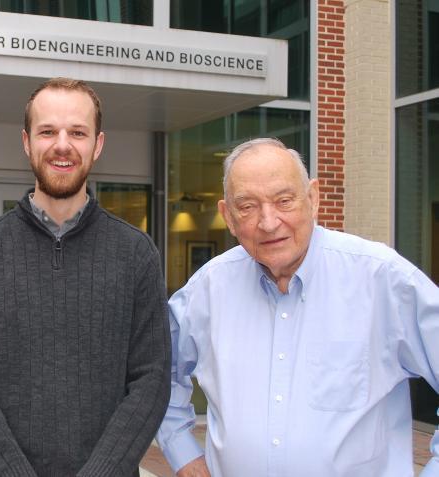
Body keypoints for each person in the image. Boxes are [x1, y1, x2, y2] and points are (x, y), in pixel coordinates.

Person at [156, 137, 439, 476]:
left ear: (313, 198)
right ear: (227, 216)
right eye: (247, 206)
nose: (269, 221)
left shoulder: (382, 279)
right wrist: (183, 453)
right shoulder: (208, 290)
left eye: (284, 200)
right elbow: (156, 373)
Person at [0, 77, 171, 476]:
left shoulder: (137, 253)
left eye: (77, 132)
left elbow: (151, 379)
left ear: (97, 145)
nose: (62, 145)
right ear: (27, 142)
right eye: (47, 131)